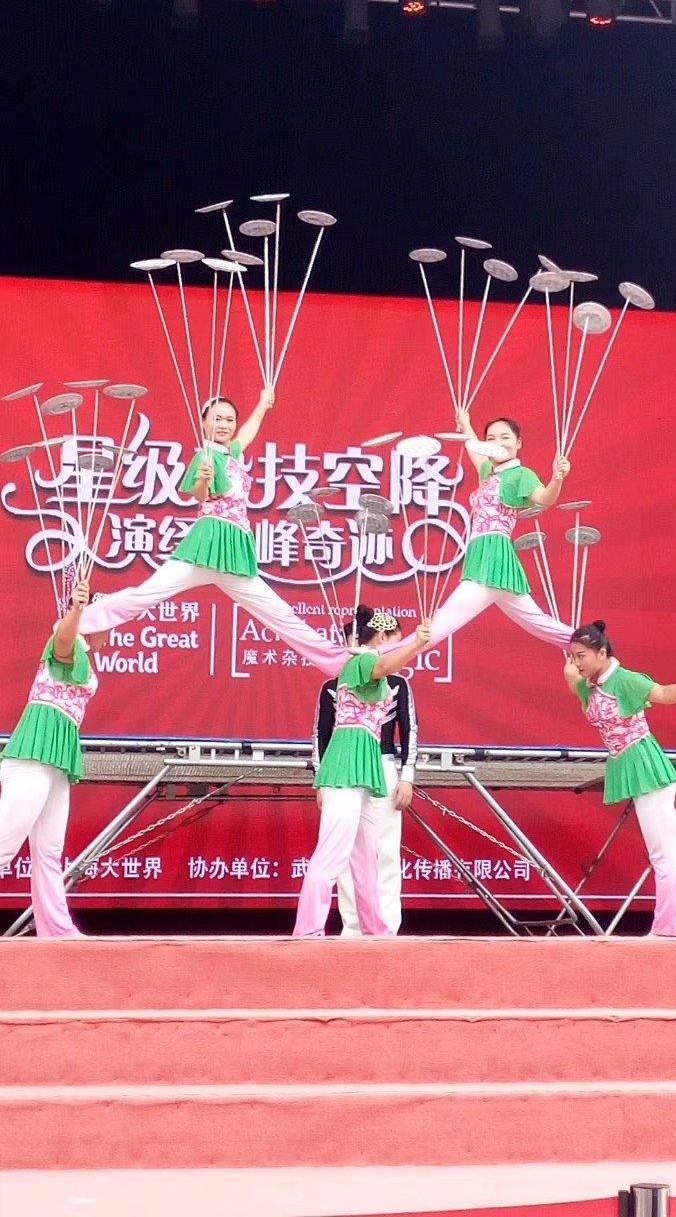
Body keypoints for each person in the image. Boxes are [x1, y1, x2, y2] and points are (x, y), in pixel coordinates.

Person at [79, 389, 351, 676]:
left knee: (280, 613)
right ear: (204, 422)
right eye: (217, 419)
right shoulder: (205, 457)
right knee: (146, 594)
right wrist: (203, 481)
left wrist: (262, 405)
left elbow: (247, 434)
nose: (224, 425)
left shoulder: (231, 454)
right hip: (205, 546)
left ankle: (339, 662)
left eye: (229, 420)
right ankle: (79, 623)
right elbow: (200, 496)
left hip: (235, 554)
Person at [563, 620, 676, 939]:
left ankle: (666, 930)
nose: (577, 663)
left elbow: (663, 694)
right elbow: (570, 678)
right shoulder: (586, 685)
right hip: (631, 768)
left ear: (602, 653)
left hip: (647, 769)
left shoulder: (626, 680)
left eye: (581, 656)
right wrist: (571, 662)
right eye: (573, 656)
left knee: (662, 854)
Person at [294, 606, 431, 937]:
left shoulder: (371, 667)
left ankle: (375, 928)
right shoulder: (363, 661)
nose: (399, 648)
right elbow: (384, 665)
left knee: (367, 857)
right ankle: (308, 930)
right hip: (346, 764)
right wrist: (416, 645)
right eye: (395, 641)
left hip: (366, 764)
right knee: (332, 855)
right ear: (381, 637)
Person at [0, 581, 107, 937]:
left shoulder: (84, 653)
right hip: (34, 756)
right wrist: (77, 610)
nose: (110, 635)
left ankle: (57, 930)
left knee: (49, 852)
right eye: (107, 623)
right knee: (4, 846)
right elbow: (63, 642)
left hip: (57, 763)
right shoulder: (66, 641)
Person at [424, 410, 574, 648]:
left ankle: (378, 659)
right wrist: (466, 424)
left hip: (494, 555)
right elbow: (474, 447)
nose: (498, 443)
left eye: (505, 437)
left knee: (437, 627)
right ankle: (591, 644)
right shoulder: (488, 472)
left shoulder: (521, 474)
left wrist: (557, 478)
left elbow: (544, 498)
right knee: (541, 624)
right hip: (484, 554)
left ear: (518, 442)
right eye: (491, 439)